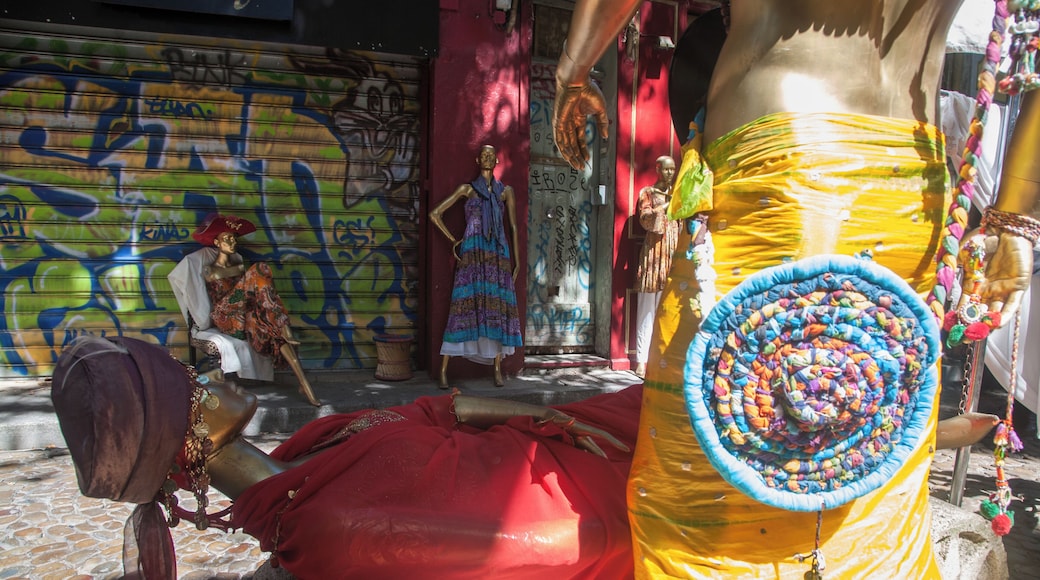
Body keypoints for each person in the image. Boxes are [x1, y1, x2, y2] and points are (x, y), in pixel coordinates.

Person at [552, 1, 1039, 577]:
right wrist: (1014, 217)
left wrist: (573, 69)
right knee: (869, 478)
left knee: (703, 484)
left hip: (778, 164)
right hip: (915, 187)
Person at [50, 335, 637, 579]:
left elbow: (438, 408)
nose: (216, 375)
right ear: (192, 439)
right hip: (583, 490)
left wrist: (549, 418)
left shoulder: (306, 449)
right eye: (195, 385)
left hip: (559, 442)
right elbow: (531, 544)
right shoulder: (334, 526)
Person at [190, 213, 320, 407]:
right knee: (260, 269)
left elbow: (253, 295)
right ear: (217, 242)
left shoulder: (240, 266)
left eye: (234, 238)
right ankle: (284, 325)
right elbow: (236, 294)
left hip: (242, 315)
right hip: (225, 316)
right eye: (227, 238)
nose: (233, 242)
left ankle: (304, 384)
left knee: (272, 330)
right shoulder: (210, 269)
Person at [429, 145, 523, 389]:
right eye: (484, 155)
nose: (488, 158)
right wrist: (454, 241)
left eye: (492, 155)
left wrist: (517, 261)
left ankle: (497, 368)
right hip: (472, 253)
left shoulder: (505, 192)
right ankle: (444, 369)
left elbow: (513, 227)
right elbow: (435, 214)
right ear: (477, 159)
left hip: (497, 254)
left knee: (496, 307)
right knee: (463, 306)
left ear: (497, 161)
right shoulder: (467, 190)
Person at [632, 155, 679, 378]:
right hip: (654, 254)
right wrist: (667, 205)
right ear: (658, 169)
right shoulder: (648, 193)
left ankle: (662, 360)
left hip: (673, 252)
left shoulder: (678, 192)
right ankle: (642, 360)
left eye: (673, 169)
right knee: (647, 311)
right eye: (666, 169)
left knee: (667, 310)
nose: (670, 173)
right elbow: (646, 219)